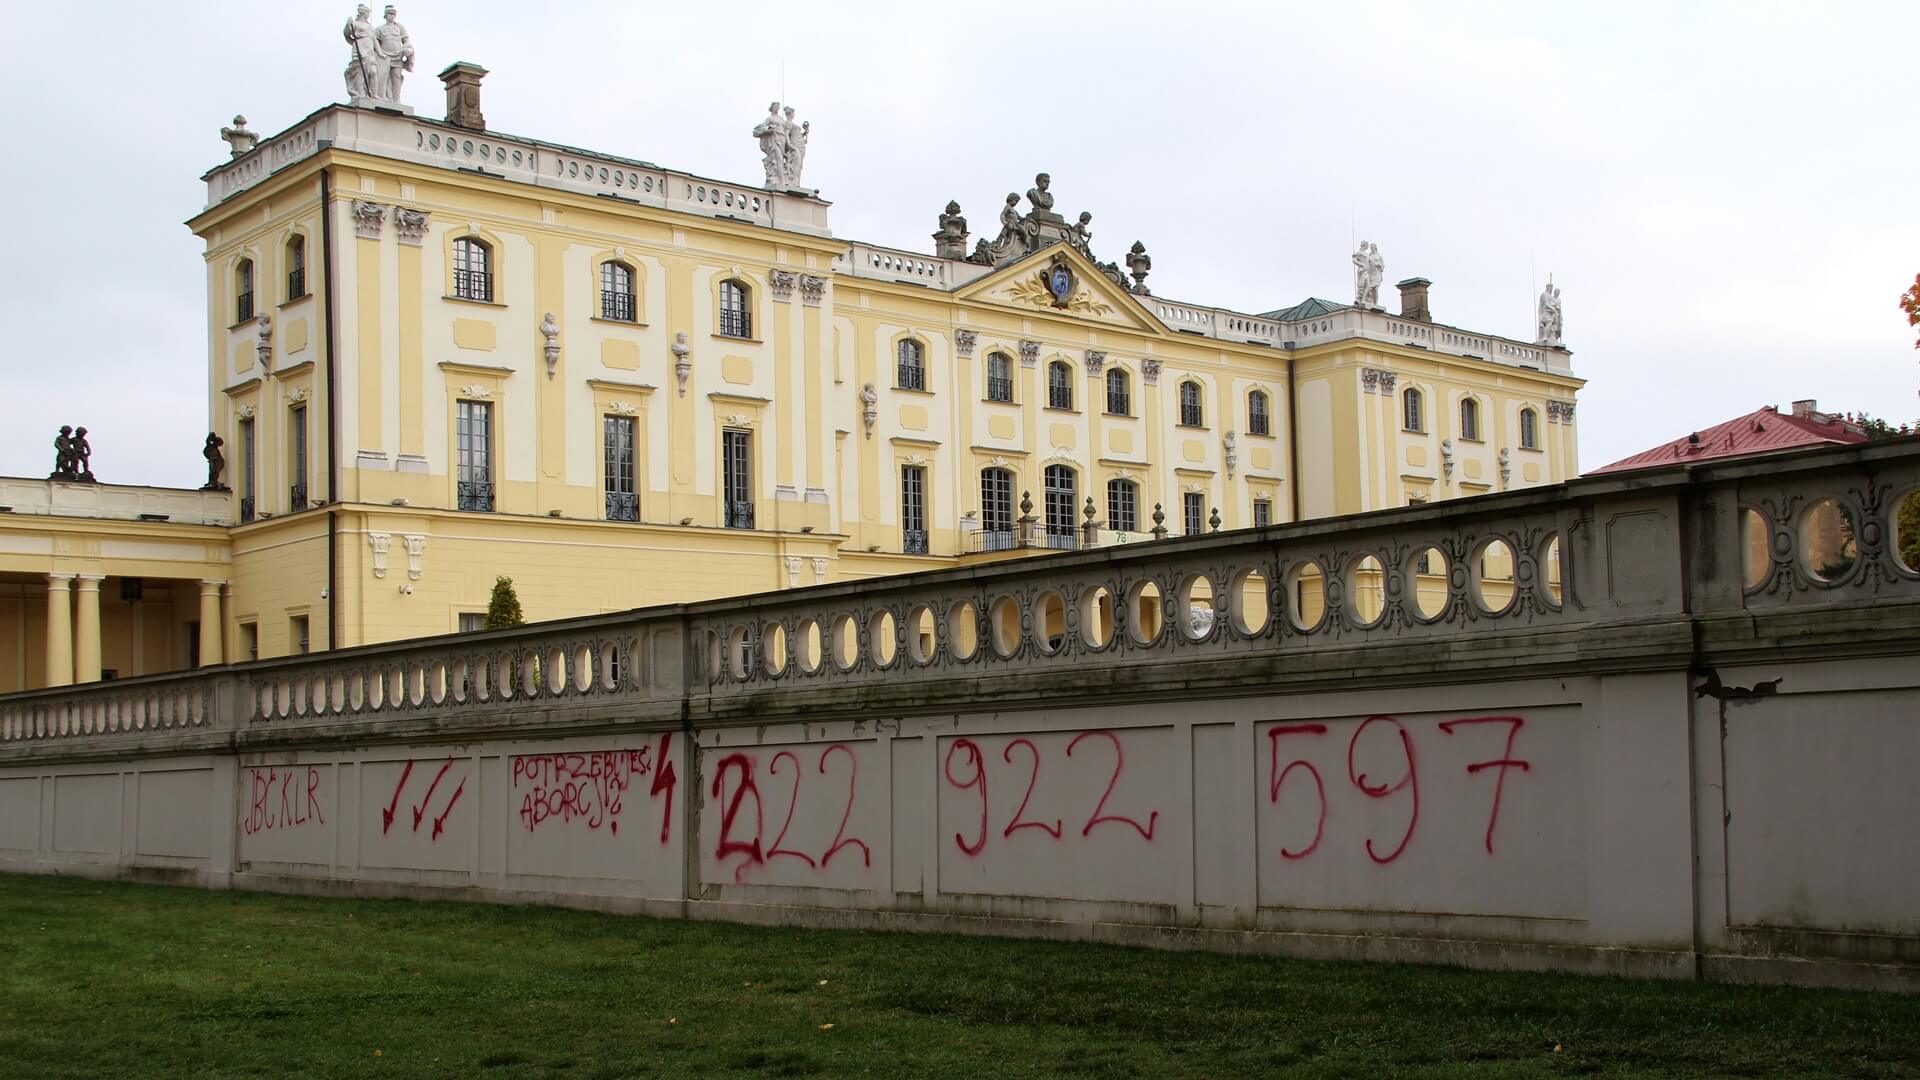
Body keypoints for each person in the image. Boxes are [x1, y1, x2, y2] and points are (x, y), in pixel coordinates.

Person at [374, 6, 413, 102]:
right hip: (384, 56)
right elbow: (374, 43)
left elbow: (406, 41)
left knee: (396, 77)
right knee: (383, 77)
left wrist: (406, 49)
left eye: (394, 14)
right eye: (390, 14)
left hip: (398, 55)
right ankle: (382, 97)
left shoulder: (400, 27)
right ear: (386, 15)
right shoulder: (379, 29)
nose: (392, 16)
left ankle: (396, 100)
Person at [343, 5, 382, 101]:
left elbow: (374, 39)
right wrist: (348, 24)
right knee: (360, 71)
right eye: (367, 12)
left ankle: (374, 94)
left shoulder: (370, 26)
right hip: (360, 48)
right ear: (363, 12)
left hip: (370, 50)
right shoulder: (355, 23)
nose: (368, 14)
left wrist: (380, 52)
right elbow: (347, 34)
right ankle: (361, 93)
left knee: (373, 71)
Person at [753, 102, 788, 188]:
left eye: (778, 107)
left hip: (782, 139)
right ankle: (780, 181)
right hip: (774, 139)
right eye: (775, 107)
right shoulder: (769, 118)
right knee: (778, 159)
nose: (777, 108)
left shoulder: (781, 119)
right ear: (771, 108)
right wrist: (769, 128)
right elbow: (762, 127)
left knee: (781, 159)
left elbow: (787, 131)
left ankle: (782, 180)